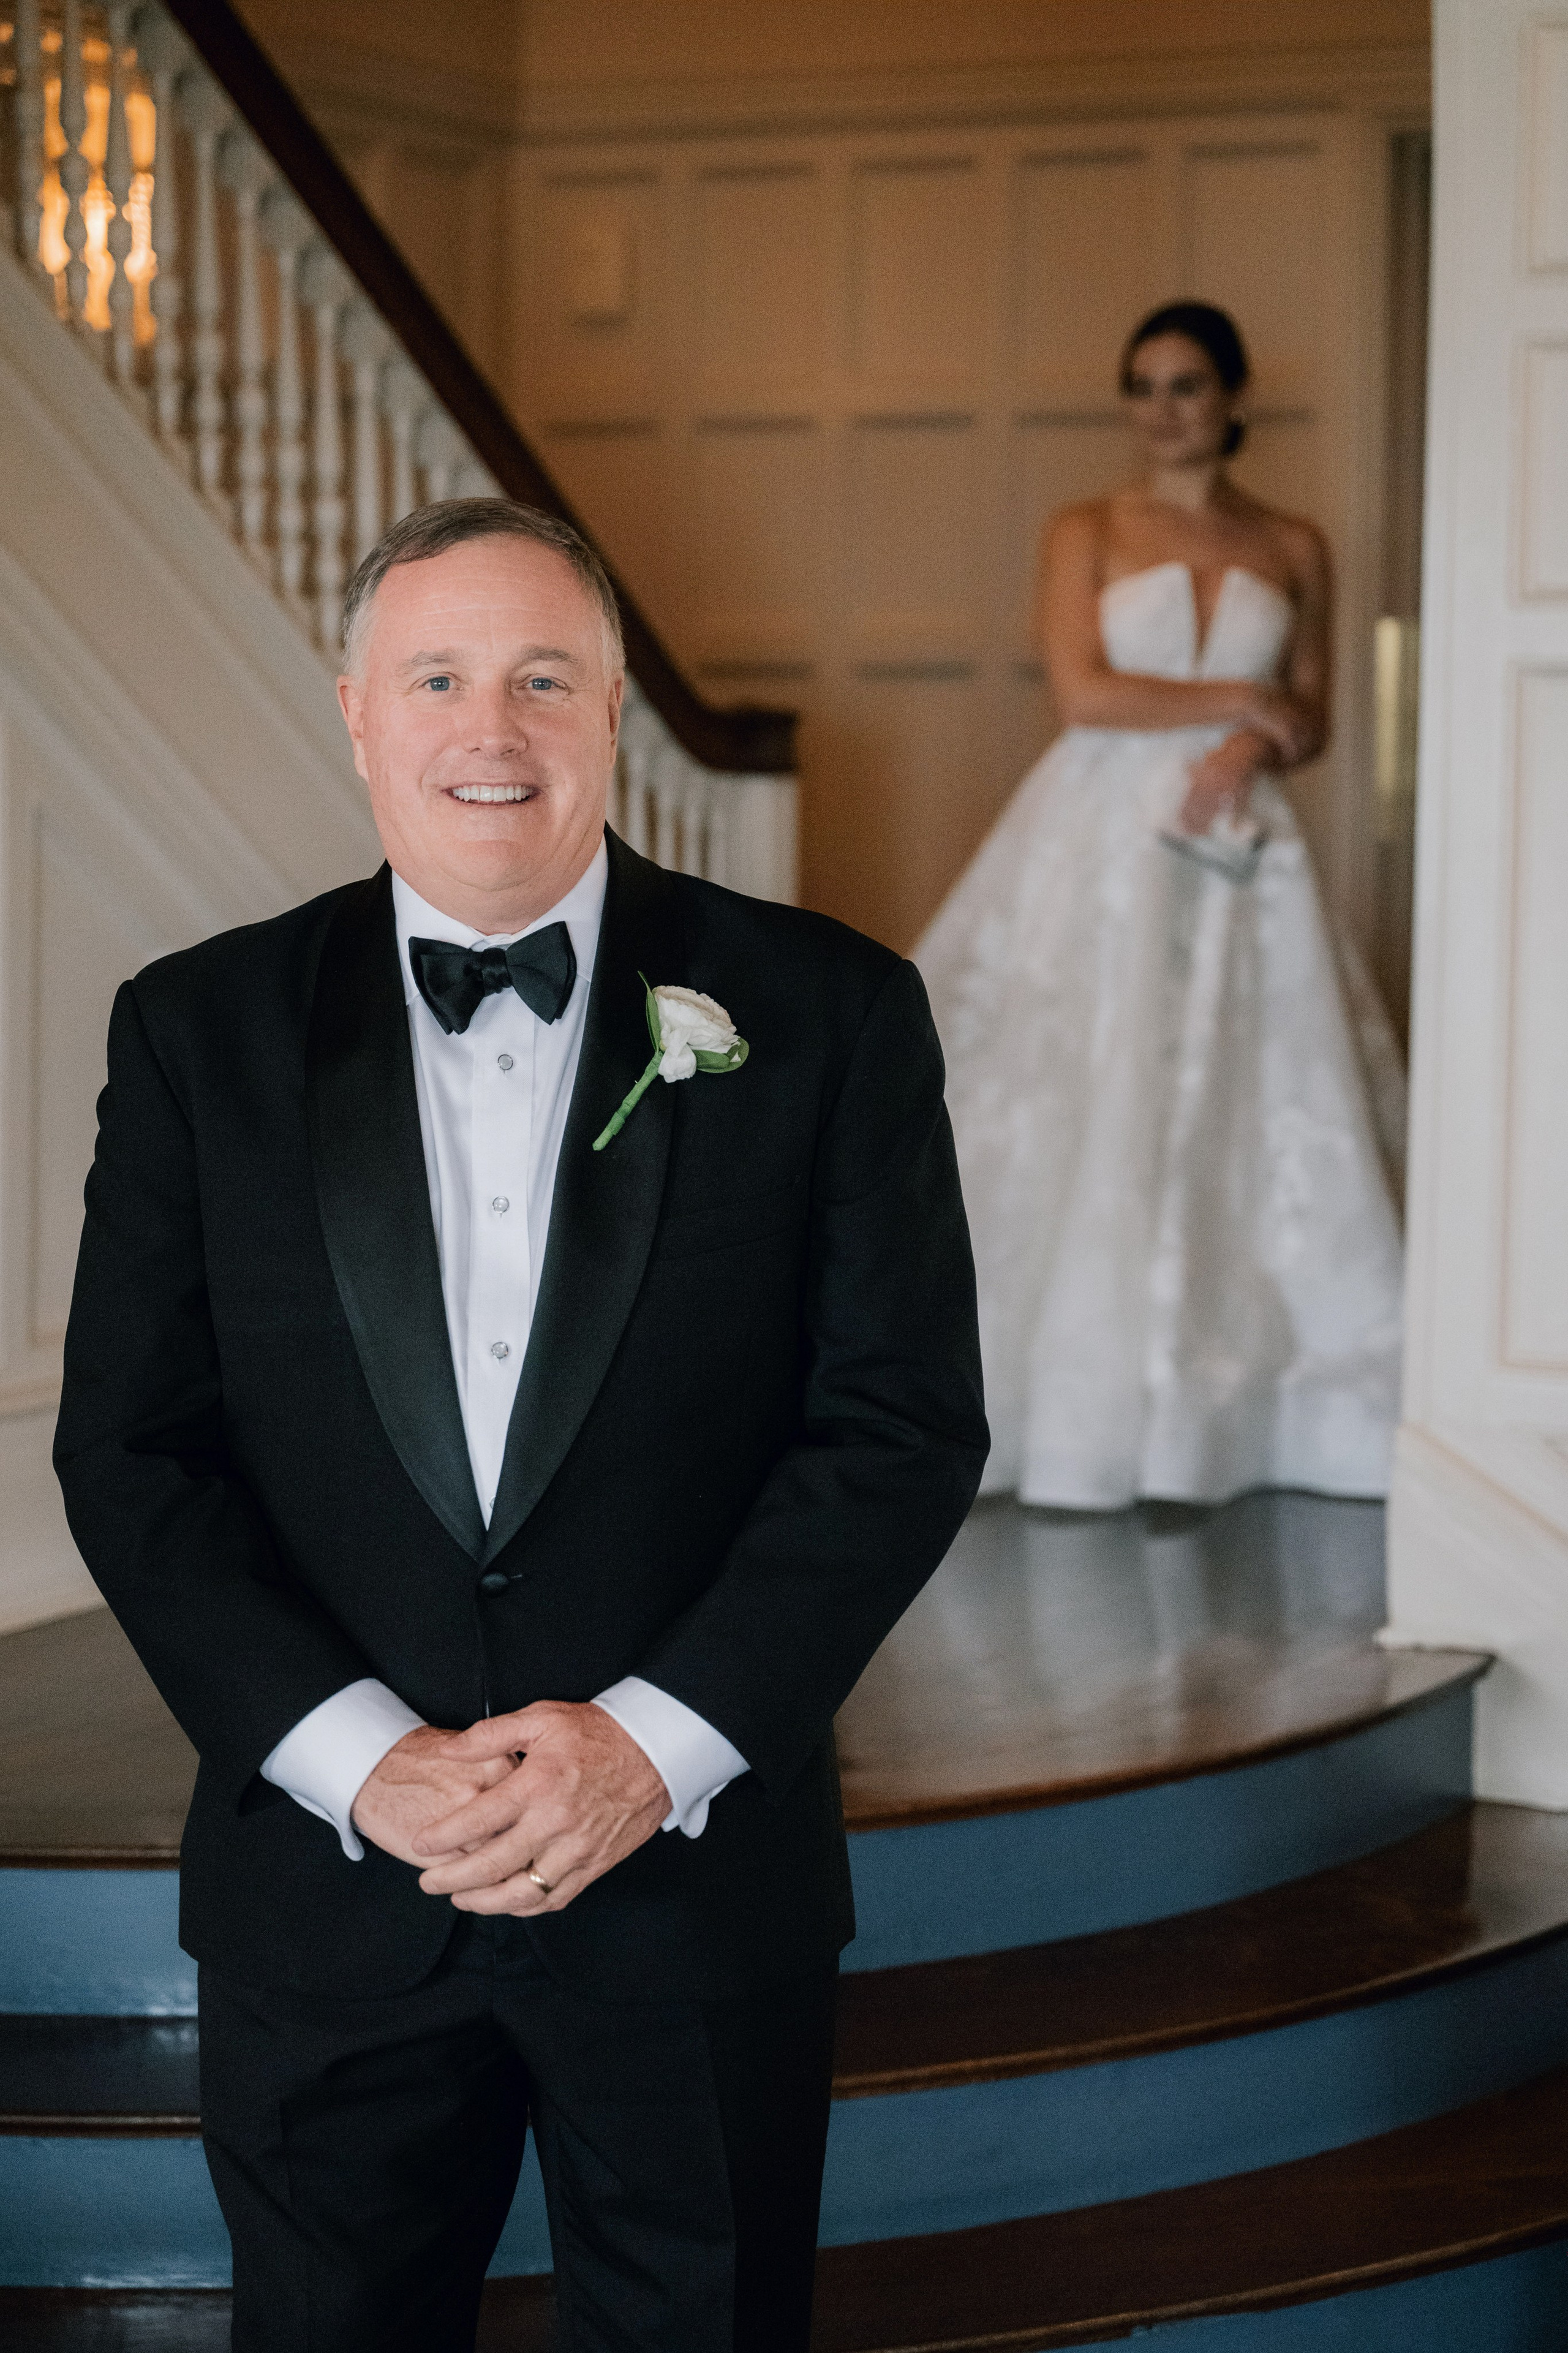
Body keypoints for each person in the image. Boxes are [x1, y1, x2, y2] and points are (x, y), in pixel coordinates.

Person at [53, 498, 987, 2353]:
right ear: (356, 712)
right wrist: (356, 1758)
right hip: (331, 1901)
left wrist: (652, 1747)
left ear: (616, 708)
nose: (494, 732)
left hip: (693, 1896)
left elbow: (898, 1426)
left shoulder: (826, 1013)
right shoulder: (194, 1030)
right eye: (442, 678)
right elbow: (134, 1454)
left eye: (545, 678)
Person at [915, 301, 1403, 1511]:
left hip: (1236, 839)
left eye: (1185, 384)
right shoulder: (1085, 526)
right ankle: (1062, 1410)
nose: (1160, 408)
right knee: (1085, 1080)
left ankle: (1231, 1416)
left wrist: (1246, 751)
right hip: (1100, 830)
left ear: (1232, 398)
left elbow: (1316, 717)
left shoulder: (1295, 540)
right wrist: (1242, 704)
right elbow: (1081, 693)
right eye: (1141, 385)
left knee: (1239, 1086)